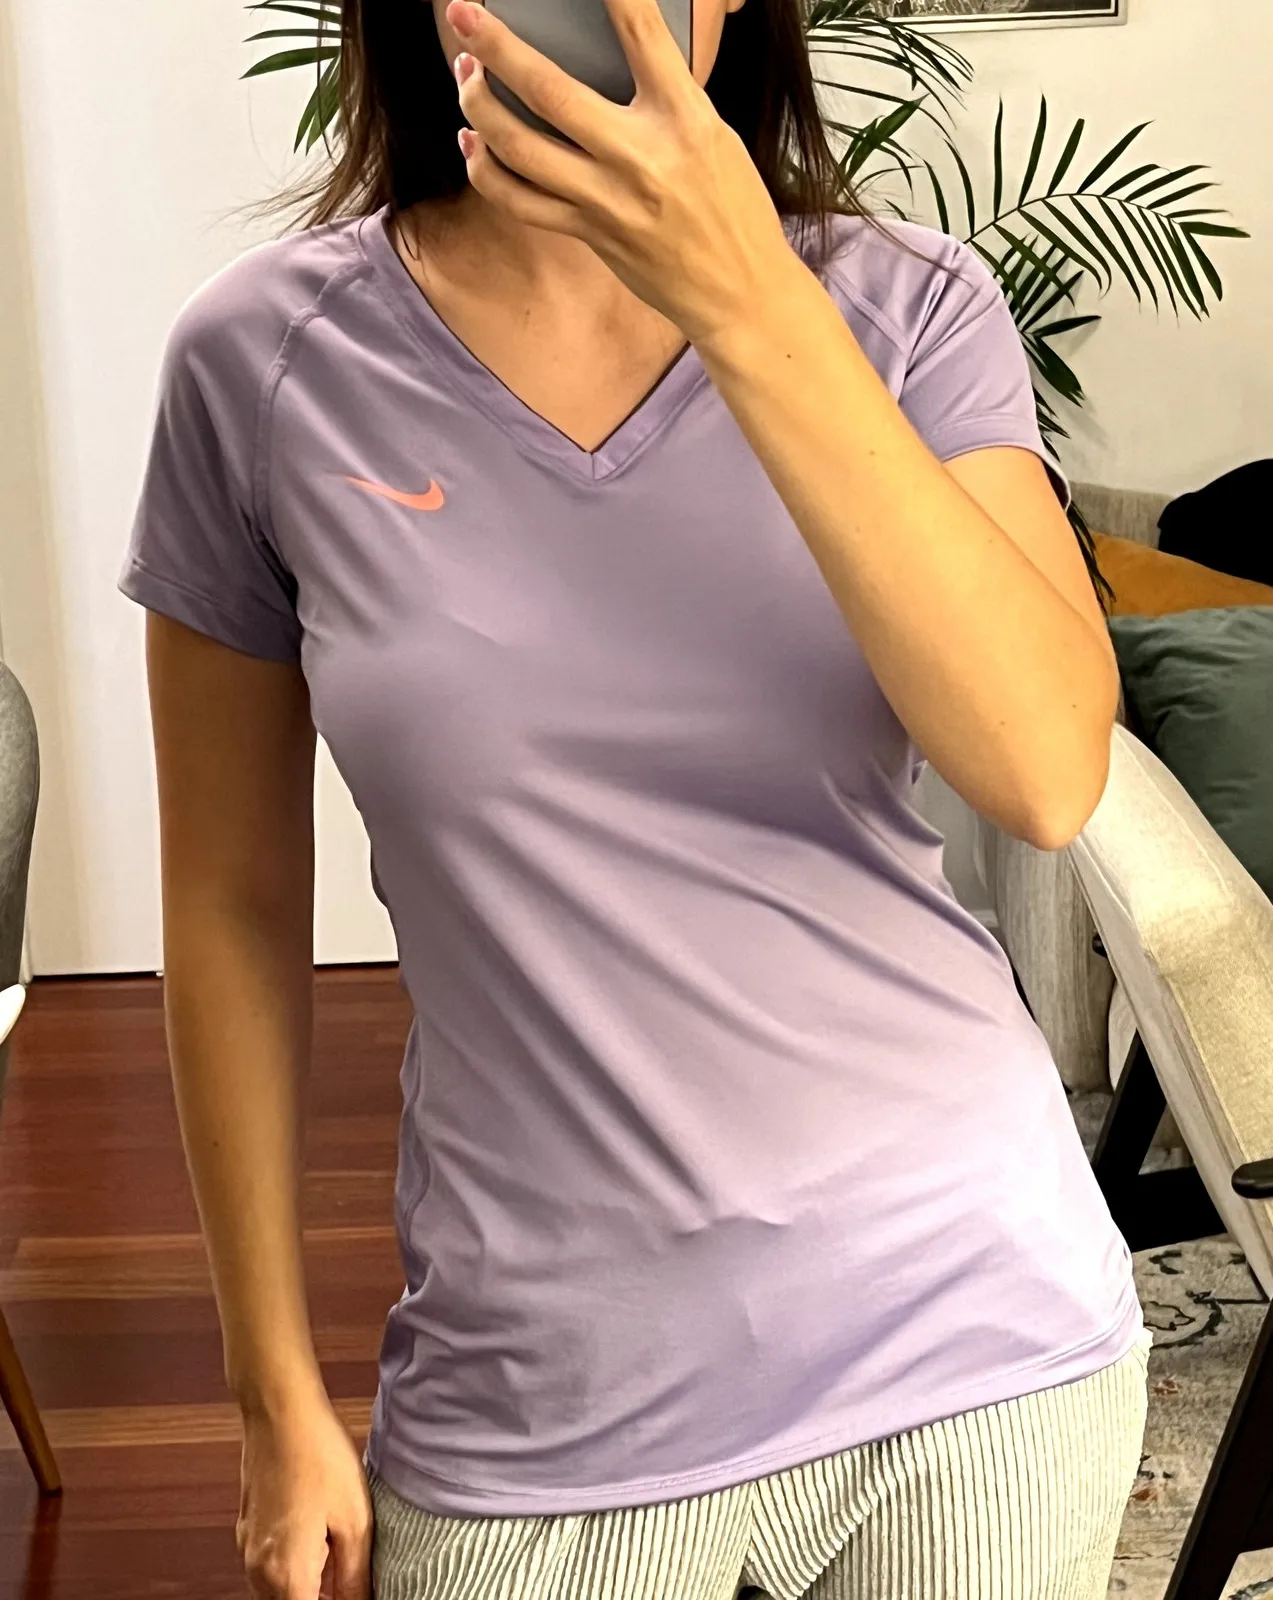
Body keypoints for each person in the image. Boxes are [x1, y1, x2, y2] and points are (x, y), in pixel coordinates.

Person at [119, 0, 1152, 1594]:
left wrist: (748, 301)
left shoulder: (907, 308)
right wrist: (271, 1393)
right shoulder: (262, 367)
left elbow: (1044, 771)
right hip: (543, 1388)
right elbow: (232, 910)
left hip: (978, 1336)